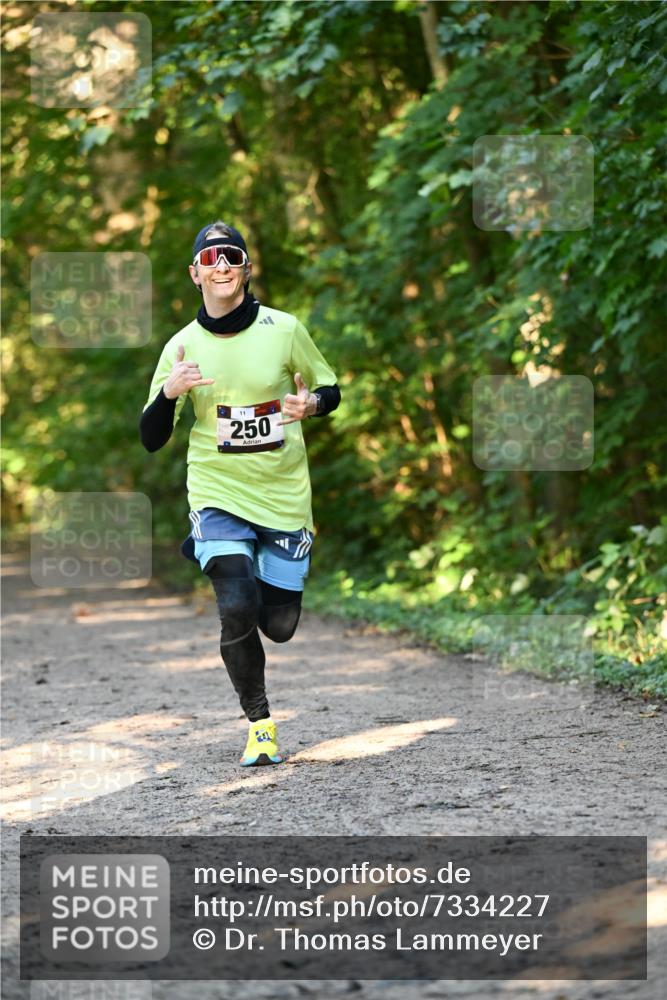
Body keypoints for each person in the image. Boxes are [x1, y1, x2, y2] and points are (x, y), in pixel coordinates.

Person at [139, 221, 340, 766]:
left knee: (278, 625)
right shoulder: (181, 345)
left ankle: (265, 568)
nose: (221, 264)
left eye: (231, 255)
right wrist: (168, 392)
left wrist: (311, 406)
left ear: (246, 267)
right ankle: (260, 724)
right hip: (216, 491)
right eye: (210, 257)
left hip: (283, 497)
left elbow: (329, 388)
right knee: (236, 604)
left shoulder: (284, 329)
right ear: (195, 273)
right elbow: (152, 437)